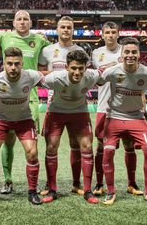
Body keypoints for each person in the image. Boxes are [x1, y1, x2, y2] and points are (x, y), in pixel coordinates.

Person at [0, 10, 50, 194]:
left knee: (33, 145)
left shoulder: (40, 40)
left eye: (26, 19)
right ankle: (8, 179)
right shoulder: (3, 36)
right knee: (8, 141)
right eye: (19, 19)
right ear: (13, 22)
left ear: (30, 22)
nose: (22, 22)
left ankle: (40, 182)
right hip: (7, 94)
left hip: (31, 98)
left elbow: (54, 52)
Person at [98, 37, 147, 205]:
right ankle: (111, 192)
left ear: (139, 54)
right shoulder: (112, 71)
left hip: (137, 117)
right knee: (108, 151)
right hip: (114, 116)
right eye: (127, 52)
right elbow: (96, 80)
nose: (130, 55)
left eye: (134, 52)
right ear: (121, 54)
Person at [0, 47, 44, 205]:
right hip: (1, 119)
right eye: (9, 64)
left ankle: (32, 191)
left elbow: (47, 77)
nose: (13, 67)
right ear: (4, 64)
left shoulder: (31, 76)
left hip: (24, 119)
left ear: (22, 64)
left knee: (32, 152)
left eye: (17, 64)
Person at [41, 50, 99, 204]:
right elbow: (35, 80)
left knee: (87, 147)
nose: (77, 72)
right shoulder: (55, 78)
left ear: (86, 68)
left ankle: (87, 190)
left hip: (79, 112)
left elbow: (106, 73)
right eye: (73, 68)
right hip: (56, 112)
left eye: (81, 68)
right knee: (51, 147)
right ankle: (52, 189)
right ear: (66, 67)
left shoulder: (92, 76)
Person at [91, 22, 142, 196]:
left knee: (129, 146)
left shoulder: (127, 51)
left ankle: (132, 183)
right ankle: (99, 183)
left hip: (127, 107)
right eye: (107, 32)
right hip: (104, 106)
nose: (111, 35)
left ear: (118, 34)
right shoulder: (96, 54)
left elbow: (137, 78)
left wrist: (143, 106)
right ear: (102, 35)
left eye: (114, 32)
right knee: (101, 147)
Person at [38, 16, 87, 196]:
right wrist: (59, 75)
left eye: (69, 27)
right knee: (51, 146)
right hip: (55, 104)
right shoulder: (47, 50)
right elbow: (40, 73)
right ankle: (50, 184)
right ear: (57, 30)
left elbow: (86, 74)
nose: (65, 30)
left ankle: (76, 183)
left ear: (72, 30)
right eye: (62, 27)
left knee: (76, 144)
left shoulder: (80, 50)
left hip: (76, 104)